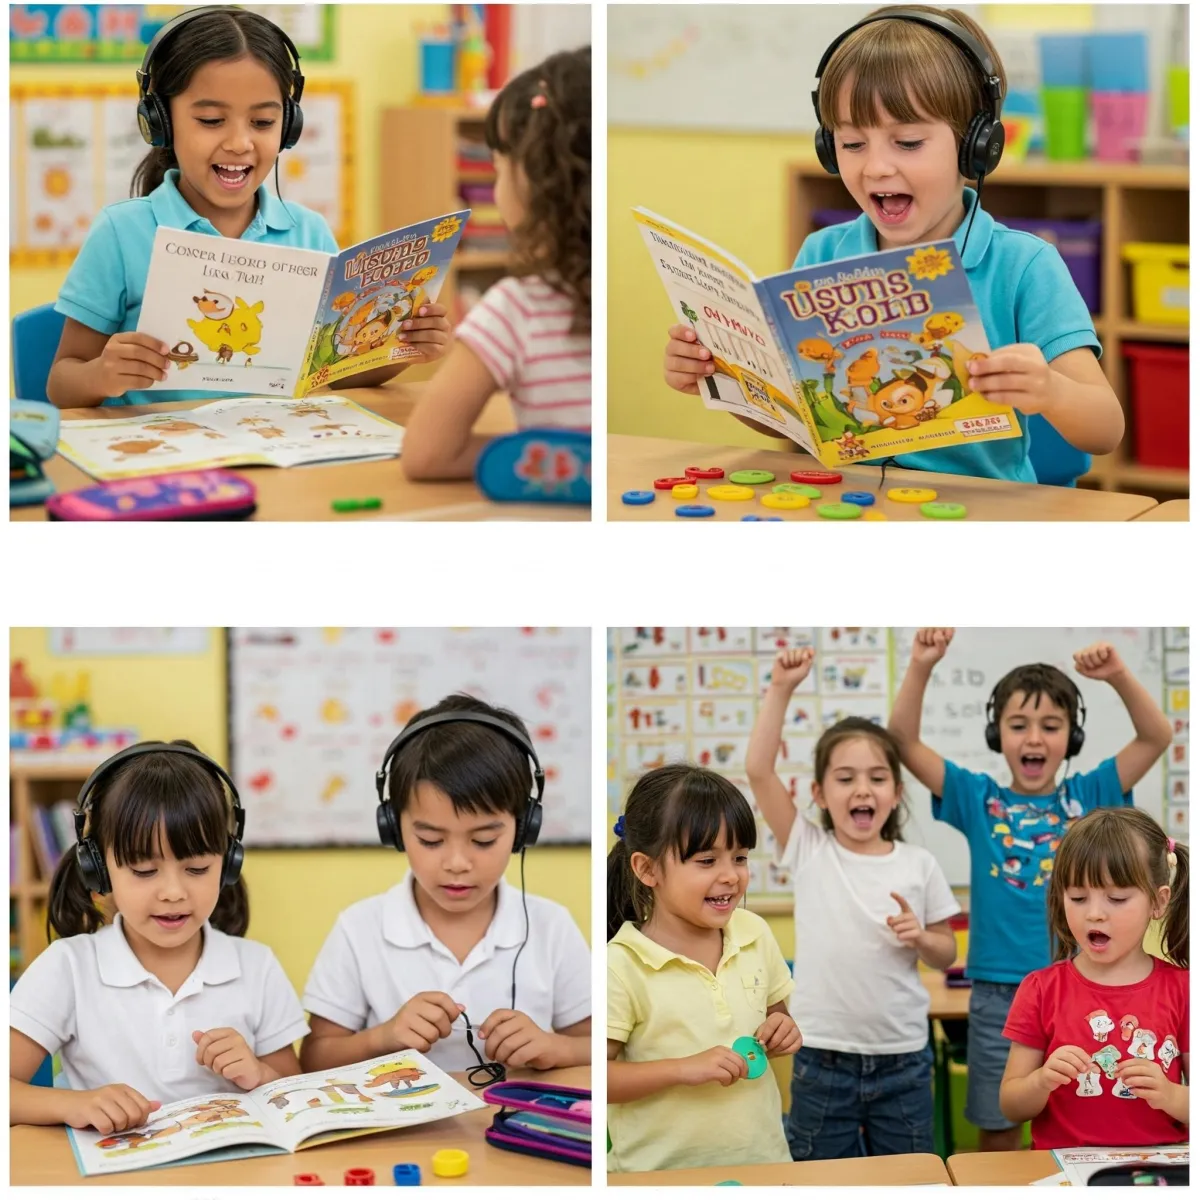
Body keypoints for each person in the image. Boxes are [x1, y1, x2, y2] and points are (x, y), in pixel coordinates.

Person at [661, 6, 1122, 480]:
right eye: (852, 144)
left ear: (976, 146)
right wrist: (725, 377)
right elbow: (799, 422)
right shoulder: (823, 254)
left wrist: (1051, 390)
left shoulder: (1024, 265)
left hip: (978, 513)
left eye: (906, 143)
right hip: (851, 503)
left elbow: (1105, 430)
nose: (876, 167)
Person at [47, 6, 448, 408]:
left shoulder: (308, 232)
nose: (240, 143)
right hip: (165, 455)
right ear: (160, 122)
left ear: (287, 126)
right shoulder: (122, 233)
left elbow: (336, 372)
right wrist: (103, 374)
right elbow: (62, 383)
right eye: (210, 120)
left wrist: (401, 346)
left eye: (262, 123)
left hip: (276, 449)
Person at [889, 631, 1173, 1150]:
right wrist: (921, 665)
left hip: (1082, 987)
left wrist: (1116, 675)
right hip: (1000, 992)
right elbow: (903, 742)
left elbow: (1157, 737)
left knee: (1085, 1118)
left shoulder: (1092, 793)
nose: (1034, 739)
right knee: (999, 1127)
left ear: (1073, 737)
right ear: (998, 735)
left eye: (1051, 726)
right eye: (1018, 726)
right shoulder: (977, 797)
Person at [9, 742, 307, 1134]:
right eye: (145, 871)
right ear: (99, 871)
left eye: (197, 868)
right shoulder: (67, 967)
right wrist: (75, 1103)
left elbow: (298, 1096)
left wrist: (259, 1073)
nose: (172, 892)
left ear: (228, 863)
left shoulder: (257, 967)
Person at [300, 695, 590, 1074]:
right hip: (405, 1132)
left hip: (512, 1126)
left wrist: (553, 1048)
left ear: (524, 828)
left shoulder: (551, 926)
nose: (457, 864)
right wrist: (382, 1037)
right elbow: (313, 1057)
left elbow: (599, 1047)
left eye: (483, 840)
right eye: (431, 841)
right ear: (394, 828)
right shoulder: (360, 928)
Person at [747, 648, 958, 1159]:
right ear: (819, 793)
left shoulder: (919, 864)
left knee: (910, 1177)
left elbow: (946, 954)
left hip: (903, 1058)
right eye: (845, 778)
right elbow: (757, 770)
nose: (861, 789)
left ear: (895, 792)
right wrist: (780, 688)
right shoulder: (809, 848)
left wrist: (921, 936)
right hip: (821, 1056)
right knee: (817, 1178)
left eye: (876, 778)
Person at [402, 47, 591, 479]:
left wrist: (539, 457)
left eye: (498, 168)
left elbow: (426, 454)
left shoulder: (515, 309)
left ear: (535, 187)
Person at [607, 763, 802, 1173]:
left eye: (740, 857)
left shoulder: (753, 933)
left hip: (763, 1166)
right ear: (647, 869)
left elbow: (776, 1016)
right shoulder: (621, 964)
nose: (731, 875)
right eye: (707, 860)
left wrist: (783, 1028)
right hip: (657, 1177)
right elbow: (600, 1080)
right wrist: (682, 1069)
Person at [1000, 808, 1189, 1149]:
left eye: (1116, 898)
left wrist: (1170, 1095)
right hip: (1063, 1171)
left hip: (1160, 1170)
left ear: (1158, 902)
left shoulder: (1184, 989)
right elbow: (1011, 1106)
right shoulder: (1041, 989)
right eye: (1077, 898)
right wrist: (1041, 1081)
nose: (1094, 913)